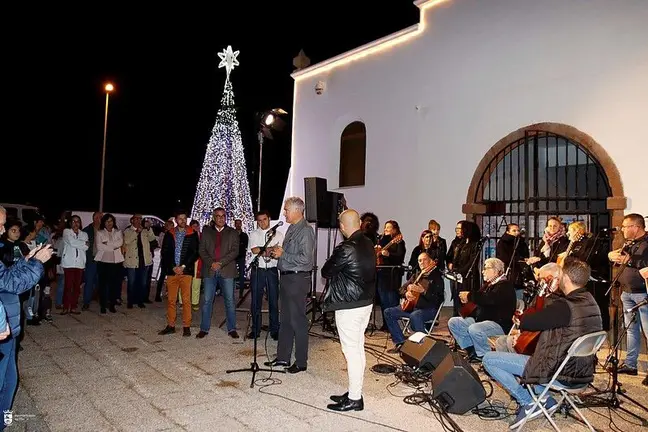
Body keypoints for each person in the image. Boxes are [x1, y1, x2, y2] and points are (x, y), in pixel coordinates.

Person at [482, 257, 603, 428]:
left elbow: (528, 322)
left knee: (489, 359)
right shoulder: (591, 301)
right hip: (582, 373)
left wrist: (523, 316)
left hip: (559, 371)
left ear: (565, 278)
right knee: (518, 351)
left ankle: (527, 401)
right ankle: (545, 398)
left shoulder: (565, 306)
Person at [0, 206, 53, 422]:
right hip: (3, 326)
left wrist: (27, 260)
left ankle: (5, 420)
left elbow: (5, 277)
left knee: (10, 380)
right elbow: (12, 283)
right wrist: (38, 263)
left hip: (9, 323)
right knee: (4, 381)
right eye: (1, 225)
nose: (2, 230)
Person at [321, 209, 376, 411]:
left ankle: (355, 399)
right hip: (366, 302)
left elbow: (326, 271)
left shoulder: (346, 247)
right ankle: (355, 391)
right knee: (358, 347)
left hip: (349, 305)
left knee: (351, 351)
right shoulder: (368, 242)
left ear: (342, 227)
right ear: (360, 223)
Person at [264, 197, 315, 373]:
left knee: (298, 321)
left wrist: (283, 255)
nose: (284, 213)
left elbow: (306, 259)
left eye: (286, 210)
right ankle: (283, 358)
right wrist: (275, 253)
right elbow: (289, 253)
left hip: (297, 279)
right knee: (285, 320)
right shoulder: (292, 228)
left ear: (296, 211)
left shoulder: (306, 231)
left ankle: (301, 362)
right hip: (286, 277)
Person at [448, 257, 517, 363]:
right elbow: (482, 301)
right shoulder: (489, 285)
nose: (483, 271)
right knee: (454, 322)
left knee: (474, 328)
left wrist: (470, 296)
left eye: (486, 268)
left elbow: (490, 299)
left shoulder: (505, 286)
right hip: (482, 321)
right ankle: (471, 350)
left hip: (499, 325)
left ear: (496, 271)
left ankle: (485, 356)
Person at [607, 213, 647, 383]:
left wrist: (627, 260)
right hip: (627, 292)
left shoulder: (646, 243)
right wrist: (612, 256)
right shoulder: (629, 243)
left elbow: (643, 264)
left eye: (625, 226)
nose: (622, 229)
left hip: (643, 293)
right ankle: (631, 365)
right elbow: (621, 258)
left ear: (635, 227)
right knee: (630, 329)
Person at [384, 252, 444, 353]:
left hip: (429, 309)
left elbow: (438, 300)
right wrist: (406, 293)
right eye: (419, 260)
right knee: (388, 312)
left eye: (424, 260)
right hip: (412, 307)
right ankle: (400, 342)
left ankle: (423, 345)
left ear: (430, 261)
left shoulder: (437, 277)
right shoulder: (417, 275)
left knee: (415, 315)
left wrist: (423, 292)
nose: (422, 262)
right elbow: (401, 289)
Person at [197, 207, 240, 339]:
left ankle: (232, 328)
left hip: (226, 270)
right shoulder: (206, 232)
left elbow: (235, 251)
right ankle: (204, 328)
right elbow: (202, 250)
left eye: (223, 216)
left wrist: (220, 263)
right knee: (207, 301)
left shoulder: (232, 232)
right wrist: (212, 263)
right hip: (210, 271)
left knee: (230, 301)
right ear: (214, 218)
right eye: (218, 216)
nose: (221, 218)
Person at [158, 210, 200, 337]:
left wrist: (183, 266)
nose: (182, 220)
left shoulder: (192, 234)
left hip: (185, 271)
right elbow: (165, 252)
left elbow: (195, 252)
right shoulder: (170, 234)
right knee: (171, 299)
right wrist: (172, 267)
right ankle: (171, 325)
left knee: (186, 300)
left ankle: (186, 326)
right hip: (172, 271)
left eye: (184, 218)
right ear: (176, 220)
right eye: (180, 218)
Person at [247, 210, 283, 340]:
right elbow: (254, 250)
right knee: (256, 301)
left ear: (269, 219)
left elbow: (279, 251)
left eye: (264, 219)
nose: (262, 222)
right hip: (258, 269)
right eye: (259, 220)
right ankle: (255, 329)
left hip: (272, 270)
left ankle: (275, 330)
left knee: (273, 301)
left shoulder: (278, 234)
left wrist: (263, 250)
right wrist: (270, 249)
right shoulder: (253, 234)